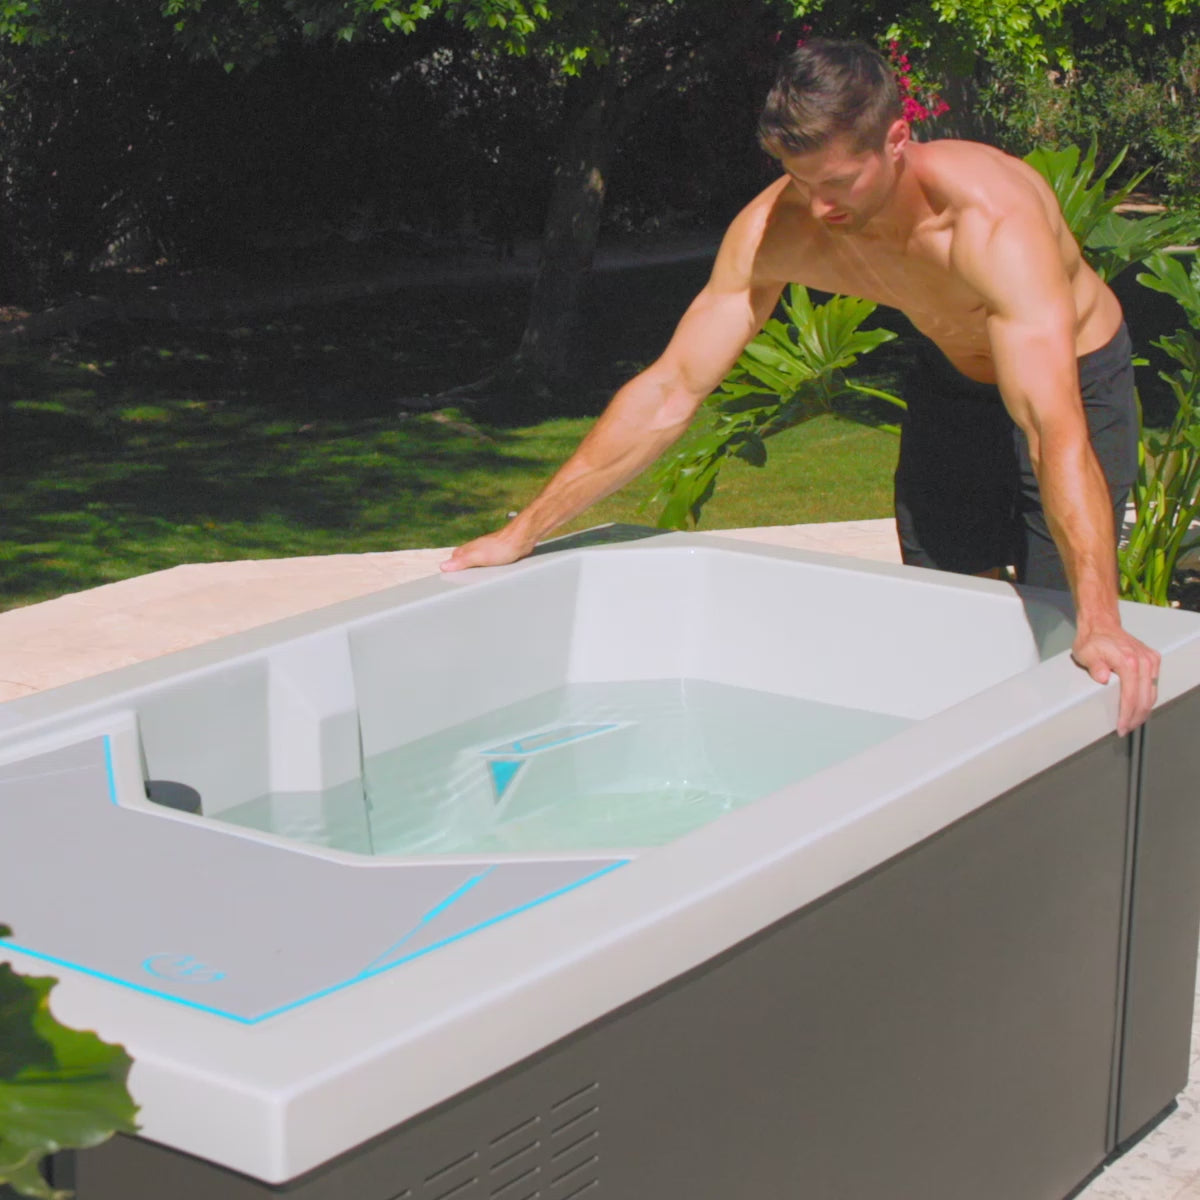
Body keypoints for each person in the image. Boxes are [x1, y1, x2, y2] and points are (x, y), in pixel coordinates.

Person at [442, 37, 1160, 734]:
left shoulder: (987, 219)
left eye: (839, 183)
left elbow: (1050, 426)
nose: (818, 209)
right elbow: (671, 389)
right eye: (799, 179)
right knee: (947, 611)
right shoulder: (776, 229)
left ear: (897, 140)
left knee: (1064, 631)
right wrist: (524, 529)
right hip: (951, 382)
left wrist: (1099, 619)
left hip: (1073, 384)